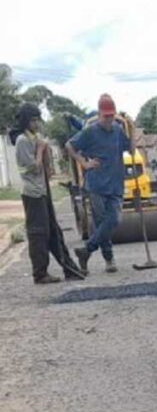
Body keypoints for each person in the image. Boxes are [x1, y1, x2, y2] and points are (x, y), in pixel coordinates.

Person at [9, 103, 85, 284]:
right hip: (32, 193)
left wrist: (46, 155)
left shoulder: (35, 138)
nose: (36, 124)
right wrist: (41, 150)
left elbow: (46, 169)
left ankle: (70, 268)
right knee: (39, 233)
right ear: (26, 121)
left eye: (37, 120)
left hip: (43, 190)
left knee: (53, 231)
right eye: (33, 120)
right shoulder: (22, 141)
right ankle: (40, 273)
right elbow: (30, 168)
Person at [67, 94, 131, 275]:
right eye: (106, 116)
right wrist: (83, 163)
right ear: (100, 114)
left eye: (112, 116)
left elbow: (128, 148)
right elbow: (69, 146)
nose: (109, 120)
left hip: (116, 184)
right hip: (96, 185)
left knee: (114, 220)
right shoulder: (89, 131)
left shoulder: (118, 129)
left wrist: (131, 131)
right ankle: (109, 258)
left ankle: (86, 250)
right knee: (102, 222)